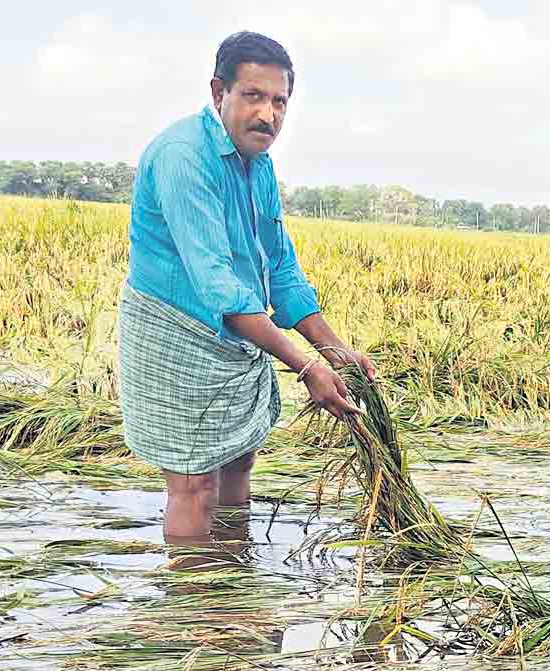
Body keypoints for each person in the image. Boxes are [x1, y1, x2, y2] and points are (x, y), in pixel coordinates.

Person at [118, 31, 376, 541]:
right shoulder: (182, 156)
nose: (268, 115)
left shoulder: (259, 163)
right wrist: (306, 366)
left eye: (279, 101)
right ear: (219, 93)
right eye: (253, 96)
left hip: (238, 338)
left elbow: (279, 267)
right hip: (177, 334)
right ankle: (197, 603)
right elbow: (219, 286)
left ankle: (235, 581)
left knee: (238, 469)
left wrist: (333, 349)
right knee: (195, 487)